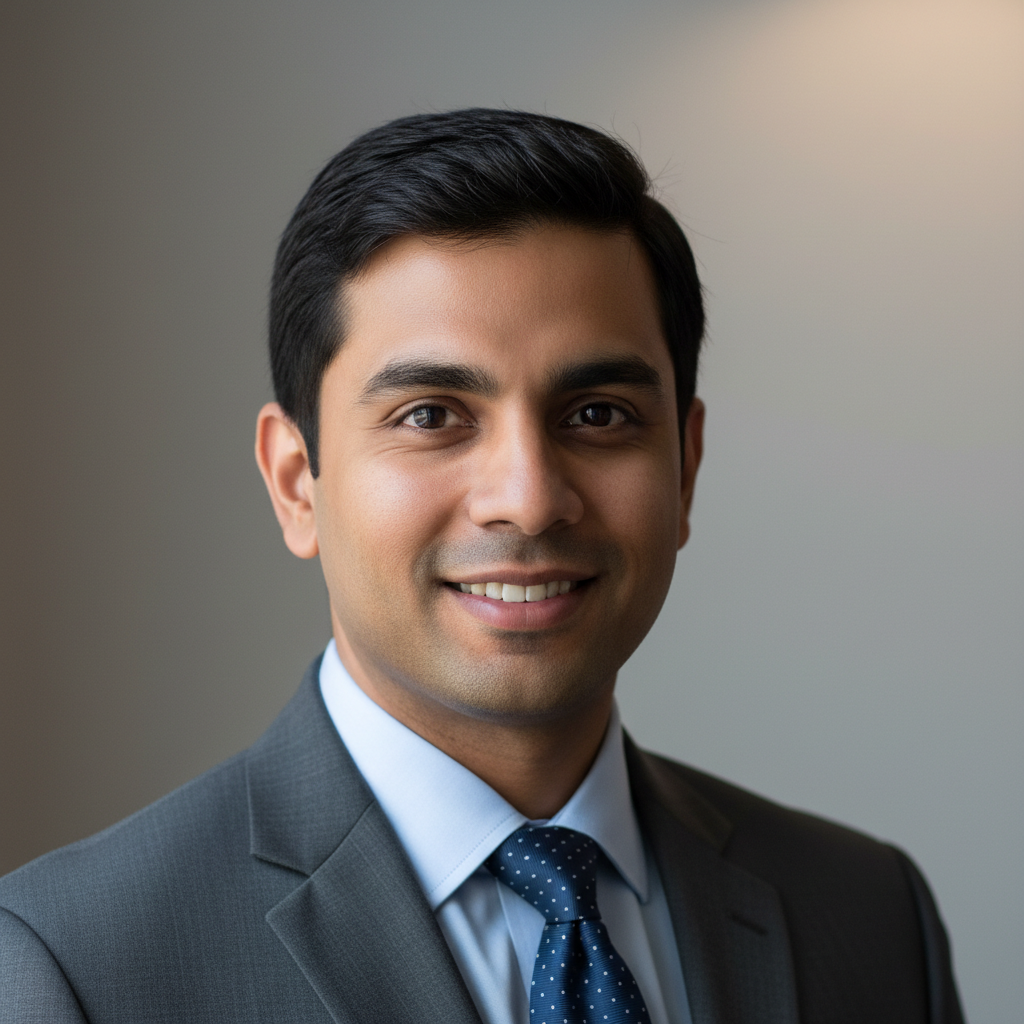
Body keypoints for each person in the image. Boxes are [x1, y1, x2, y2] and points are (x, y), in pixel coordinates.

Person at [0, 108, 963, 1024]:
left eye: (598, 415)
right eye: (431, 416)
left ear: (685, 467)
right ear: (296, 483)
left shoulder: (870, 915)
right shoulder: (76, 965)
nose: (529, 498)